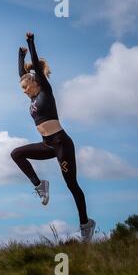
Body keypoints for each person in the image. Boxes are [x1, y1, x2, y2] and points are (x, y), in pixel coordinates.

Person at [11, 32, 95, 242]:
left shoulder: (45, 92)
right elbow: (21, 74)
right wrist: (20, 56)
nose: (23, 92)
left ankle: (86, 223)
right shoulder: (31, 96)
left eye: (24, 87)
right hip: (47, 145)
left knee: (72, 185)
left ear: (34, 83)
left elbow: (36, 70)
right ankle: (40, 185)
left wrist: (30, 43)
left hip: (61, 144)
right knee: (16, 154)